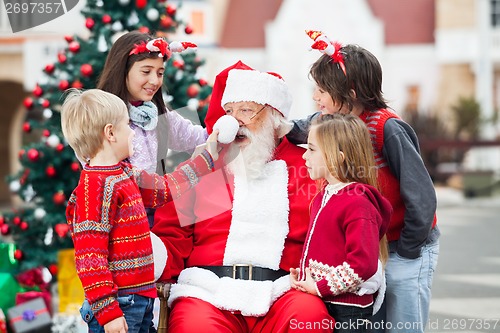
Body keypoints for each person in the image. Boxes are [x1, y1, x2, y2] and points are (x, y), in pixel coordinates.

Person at [151, 61, 335, 333]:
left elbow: (332, 230)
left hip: (284, 290)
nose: (234, 121)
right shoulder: (205, 167)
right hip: (208, 292)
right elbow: (173, 234)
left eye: (246, 111)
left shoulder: (308, 166)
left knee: (310, 320)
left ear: (274, 115)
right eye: (229, 112)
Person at [287, 31, 440, 333]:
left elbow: (421, 196)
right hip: (375, 246)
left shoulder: (388, 129)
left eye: (322, 90)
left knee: (402, 323)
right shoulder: (331, 124)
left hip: (406, 245)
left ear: (350, 94)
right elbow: (296, 129)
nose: (315, 98)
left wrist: (407, 250)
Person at [61, 88, 219, 333]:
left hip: (141, 298)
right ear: (110, 133)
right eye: (128, 125)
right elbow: (90, 259)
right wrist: (108, 312)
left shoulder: (126, 173)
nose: (134, 133)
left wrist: (206, 158)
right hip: (119, 305)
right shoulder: (93, 188)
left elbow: (166, 188)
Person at [290, 114, 391, 333]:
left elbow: (362, 264)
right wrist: (306, 276)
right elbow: (329, 249)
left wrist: (319, 287)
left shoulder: (357, 203)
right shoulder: (323, 196)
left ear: (338, 156)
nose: (304, 156)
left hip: (348, 312)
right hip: (325, 302)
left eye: (312, 149)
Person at [97, 30, 207, 176]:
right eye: (146, 71)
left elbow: (199, 139)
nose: (155, 81)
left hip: (156, 196)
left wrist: (232, 120)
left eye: (160, 73)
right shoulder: (98, 116)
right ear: (122, 71)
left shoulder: (158, 114)